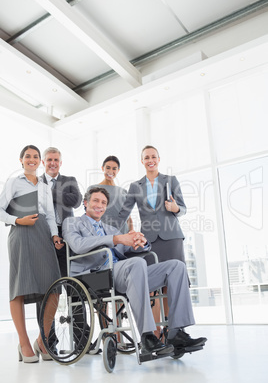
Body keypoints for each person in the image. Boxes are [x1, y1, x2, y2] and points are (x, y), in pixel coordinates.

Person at [62, 187, 206, 356]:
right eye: (95, 201)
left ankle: (176, 333)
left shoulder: (111, 229)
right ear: (86, 203)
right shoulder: (72, 222)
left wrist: (140, 242)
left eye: (103, 203)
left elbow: (126, 247)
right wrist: (117, 239)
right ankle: (147, 336)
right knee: (137, 264)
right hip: (95, 275)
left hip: (125, 273)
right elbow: (78, 245)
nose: (99, 205)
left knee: (176, 266)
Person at [118, 145, 187, 338]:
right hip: (150, 241)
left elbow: (183, 208)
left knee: (172, 282)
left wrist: (174, 208)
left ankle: (173, 330)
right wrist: (107, 231)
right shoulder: (135, 186)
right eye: (146, 157)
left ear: (159, 159)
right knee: (152, 285)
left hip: (172, 238)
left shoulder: (170, 180)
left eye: (153, 157)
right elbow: (124, 212)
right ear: (142, 161)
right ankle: (154, 332)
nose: (150, 160)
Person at [0, 145, 61, 363]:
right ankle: (24, 343)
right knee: (19, 287)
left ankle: (42, 341)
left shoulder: (45, 186)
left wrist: (55, 236)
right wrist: (17, 220)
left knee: (53, 287)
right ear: (21, 160)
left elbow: (52, 216)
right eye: (28, 156)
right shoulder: (14, 182)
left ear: (40, 161)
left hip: (43, 234)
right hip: (21, 233)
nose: (32, 160)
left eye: (36, 157)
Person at [41, 147, 82, 276]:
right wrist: (64, 196)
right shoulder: (36, 182)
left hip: (66, 233)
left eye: (56, 160)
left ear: (61, 163)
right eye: (49, 160)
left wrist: (48, 192)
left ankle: (72, 296)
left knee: (68, 273)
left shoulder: (69, 180)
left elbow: (76, 201)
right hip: (44, 232)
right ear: (43, 162)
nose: (53, 163)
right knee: (47, 275)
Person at [88, 155, 133, 233]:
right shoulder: (92, 189)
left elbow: (128, 217)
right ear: (103, 168)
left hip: (122, 234)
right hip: (101, 234)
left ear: (118, 170)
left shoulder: (123, 192)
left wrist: (132, 231)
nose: (110, 171)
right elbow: (89, 214)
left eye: (114, 169)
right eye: (108, 168)